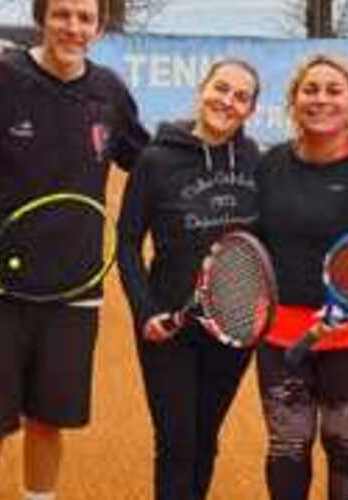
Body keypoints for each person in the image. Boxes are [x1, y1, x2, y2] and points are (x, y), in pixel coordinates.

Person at [0, 0, 149, 498]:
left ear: (100, 26)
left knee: (49, 423)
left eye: (85, 18)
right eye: (62, 14)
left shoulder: (108, 93)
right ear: (41, 18)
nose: (74, 27)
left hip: (73, 291)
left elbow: (148, 165)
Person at [255, 54, 348, 500]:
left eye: (333, 90)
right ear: (294, 100)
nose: (321, 99)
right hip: (281, 337)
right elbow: (257, 242)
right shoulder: (270, 167)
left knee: (347, 448)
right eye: (311, 89)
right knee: (287, 447)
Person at [117, 58, 261, 500]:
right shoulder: (155, 160)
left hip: (232, 322)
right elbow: (127, 244)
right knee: (177, 444)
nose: (227, 101)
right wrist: (146, 311)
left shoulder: (255, 158)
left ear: (251, 110)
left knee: (205, 441)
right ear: (202, 89)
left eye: (241, 97)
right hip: (170, 325)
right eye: (221, 88)